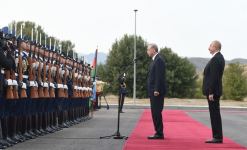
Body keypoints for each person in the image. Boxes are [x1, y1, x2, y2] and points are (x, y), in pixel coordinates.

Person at [203, 40, 225, 144]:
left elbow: (214, 77)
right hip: (214, 91)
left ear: (215, 47)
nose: (208, 48)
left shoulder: (216, 59)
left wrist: (211, 92)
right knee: (214, 114)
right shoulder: (218, 57)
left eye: (210, 46)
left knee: (214, 114)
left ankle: (217, 137)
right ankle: (217, 136)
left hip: (213, 92)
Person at [146, 43, 166, 140]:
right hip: (153, 90)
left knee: (156, 112)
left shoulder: (159, 60)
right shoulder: (155, 60)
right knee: (155, 112)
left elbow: (159, 76)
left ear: (153, 49)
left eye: (148, 50)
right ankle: (158, 132)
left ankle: (159, 133)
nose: (147, 52)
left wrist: (157, 89)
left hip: (156, 91)